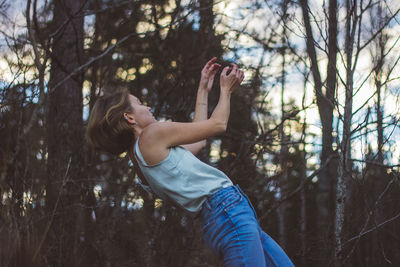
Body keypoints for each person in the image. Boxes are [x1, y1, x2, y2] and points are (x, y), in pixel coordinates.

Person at [87, 58, 294, 266]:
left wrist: (203, 89)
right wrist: (226, 90)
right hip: (227, 212)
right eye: (140, 104)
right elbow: (218, 124)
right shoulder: (152, 135)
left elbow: (199, 141)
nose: (148, 107)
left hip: (223, 217)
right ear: (129, 118)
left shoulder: (141, 159)